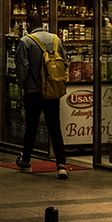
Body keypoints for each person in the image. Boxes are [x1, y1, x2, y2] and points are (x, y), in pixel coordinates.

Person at [15, 11, 70, 179]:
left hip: (33, 91)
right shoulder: (56, 40)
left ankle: (26, 161)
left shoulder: (25, 42)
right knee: (55, 126)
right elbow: (65, 63)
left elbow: (22, 67)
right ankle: (61, 164)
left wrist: (22, 83)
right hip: (52, 91)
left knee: (31, 126)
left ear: (28, 25)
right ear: (43, 23)